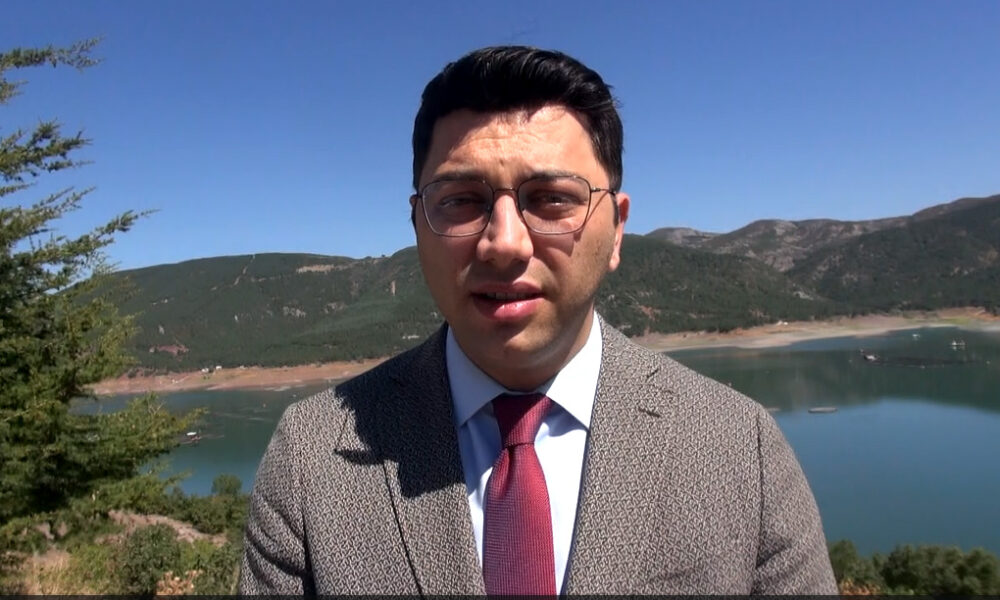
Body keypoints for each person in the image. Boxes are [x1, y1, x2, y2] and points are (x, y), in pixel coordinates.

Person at [239, 46, 837, 595]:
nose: (504, 243)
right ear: (418, 224)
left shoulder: (741, 447)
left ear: (617, 229)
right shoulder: (310, 457)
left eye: (551, 198)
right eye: (461, 201)